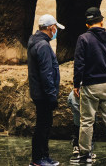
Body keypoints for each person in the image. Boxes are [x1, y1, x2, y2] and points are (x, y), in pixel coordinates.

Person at [72, 7, 106, 164]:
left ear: (87, 24)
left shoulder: (83, 39)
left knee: (87, 121)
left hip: (90, 85)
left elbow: (79, 64)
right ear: (102, 21)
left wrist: (76, 84)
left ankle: (85, 154)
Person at [27, 14, 63, 166]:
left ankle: (44, 156)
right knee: (43, 127)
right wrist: (51, 96)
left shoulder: (37, 42)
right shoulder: (42, 46)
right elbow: (46, 73)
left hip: (40, 93)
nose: (56, 31)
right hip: (44, 95)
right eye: (55, 27)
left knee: (44, 126)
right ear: (50, 28)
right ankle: (38, 159)